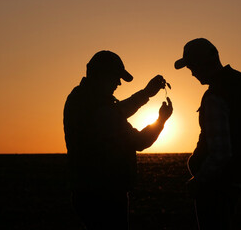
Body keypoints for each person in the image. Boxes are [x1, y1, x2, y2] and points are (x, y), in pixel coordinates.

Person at [63, 50, 173, 229]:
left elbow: (117, 111)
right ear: (102, 76)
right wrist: (161, 120)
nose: (119, 83)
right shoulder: (99, 108)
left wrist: (146, 93)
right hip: (105, 194)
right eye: (116, 77)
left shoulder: (82, 99)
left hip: (87, 191)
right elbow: (138, 141)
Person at [174, 38, 241, 230]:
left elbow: (220, 153)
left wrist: (197, 181)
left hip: (214, 187)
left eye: (192, 67)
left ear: (202, 64)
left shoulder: (215, 95)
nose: (191, 73)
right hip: (238, 181)